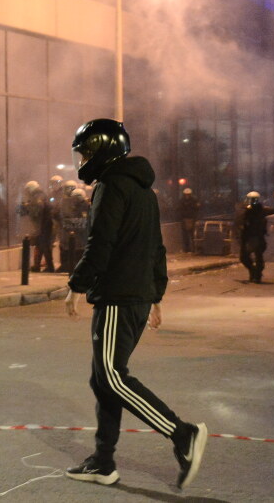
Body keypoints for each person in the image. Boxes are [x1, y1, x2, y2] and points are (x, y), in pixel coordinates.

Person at [63, 118, 207, 490]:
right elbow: (156, 247)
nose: (81, 160)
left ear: (100, 150)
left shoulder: (111, 186)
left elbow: (101, 243)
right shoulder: (143, 189)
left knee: (111, 376)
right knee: (103, 379)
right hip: (136, 296)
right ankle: (103, 461)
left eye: (85, 152)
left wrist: (77, 285)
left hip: (118, 296)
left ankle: (182, 434)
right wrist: (156, 295)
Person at [236, 190, 274, 283]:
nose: (252, 202)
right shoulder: (245, 210)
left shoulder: (261, 209)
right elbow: (239, 221)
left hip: (257, 237)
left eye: (254, 200)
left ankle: (257, 275)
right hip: (247, 237)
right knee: (244, 258)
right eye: (251, 200)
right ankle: (253, 271)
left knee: (258, 256)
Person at [177, 187, 200, 253]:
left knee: (193, 234)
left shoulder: (194, 200)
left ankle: (194, 249)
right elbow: (179, 209)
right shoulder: (182, 201)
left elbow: (197, 208)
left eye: (188, 194)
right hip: (185, 219)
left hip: (192, 219)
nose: (187, 196)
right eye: (186, 194)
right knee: (185, 235)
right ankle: (187, 249)